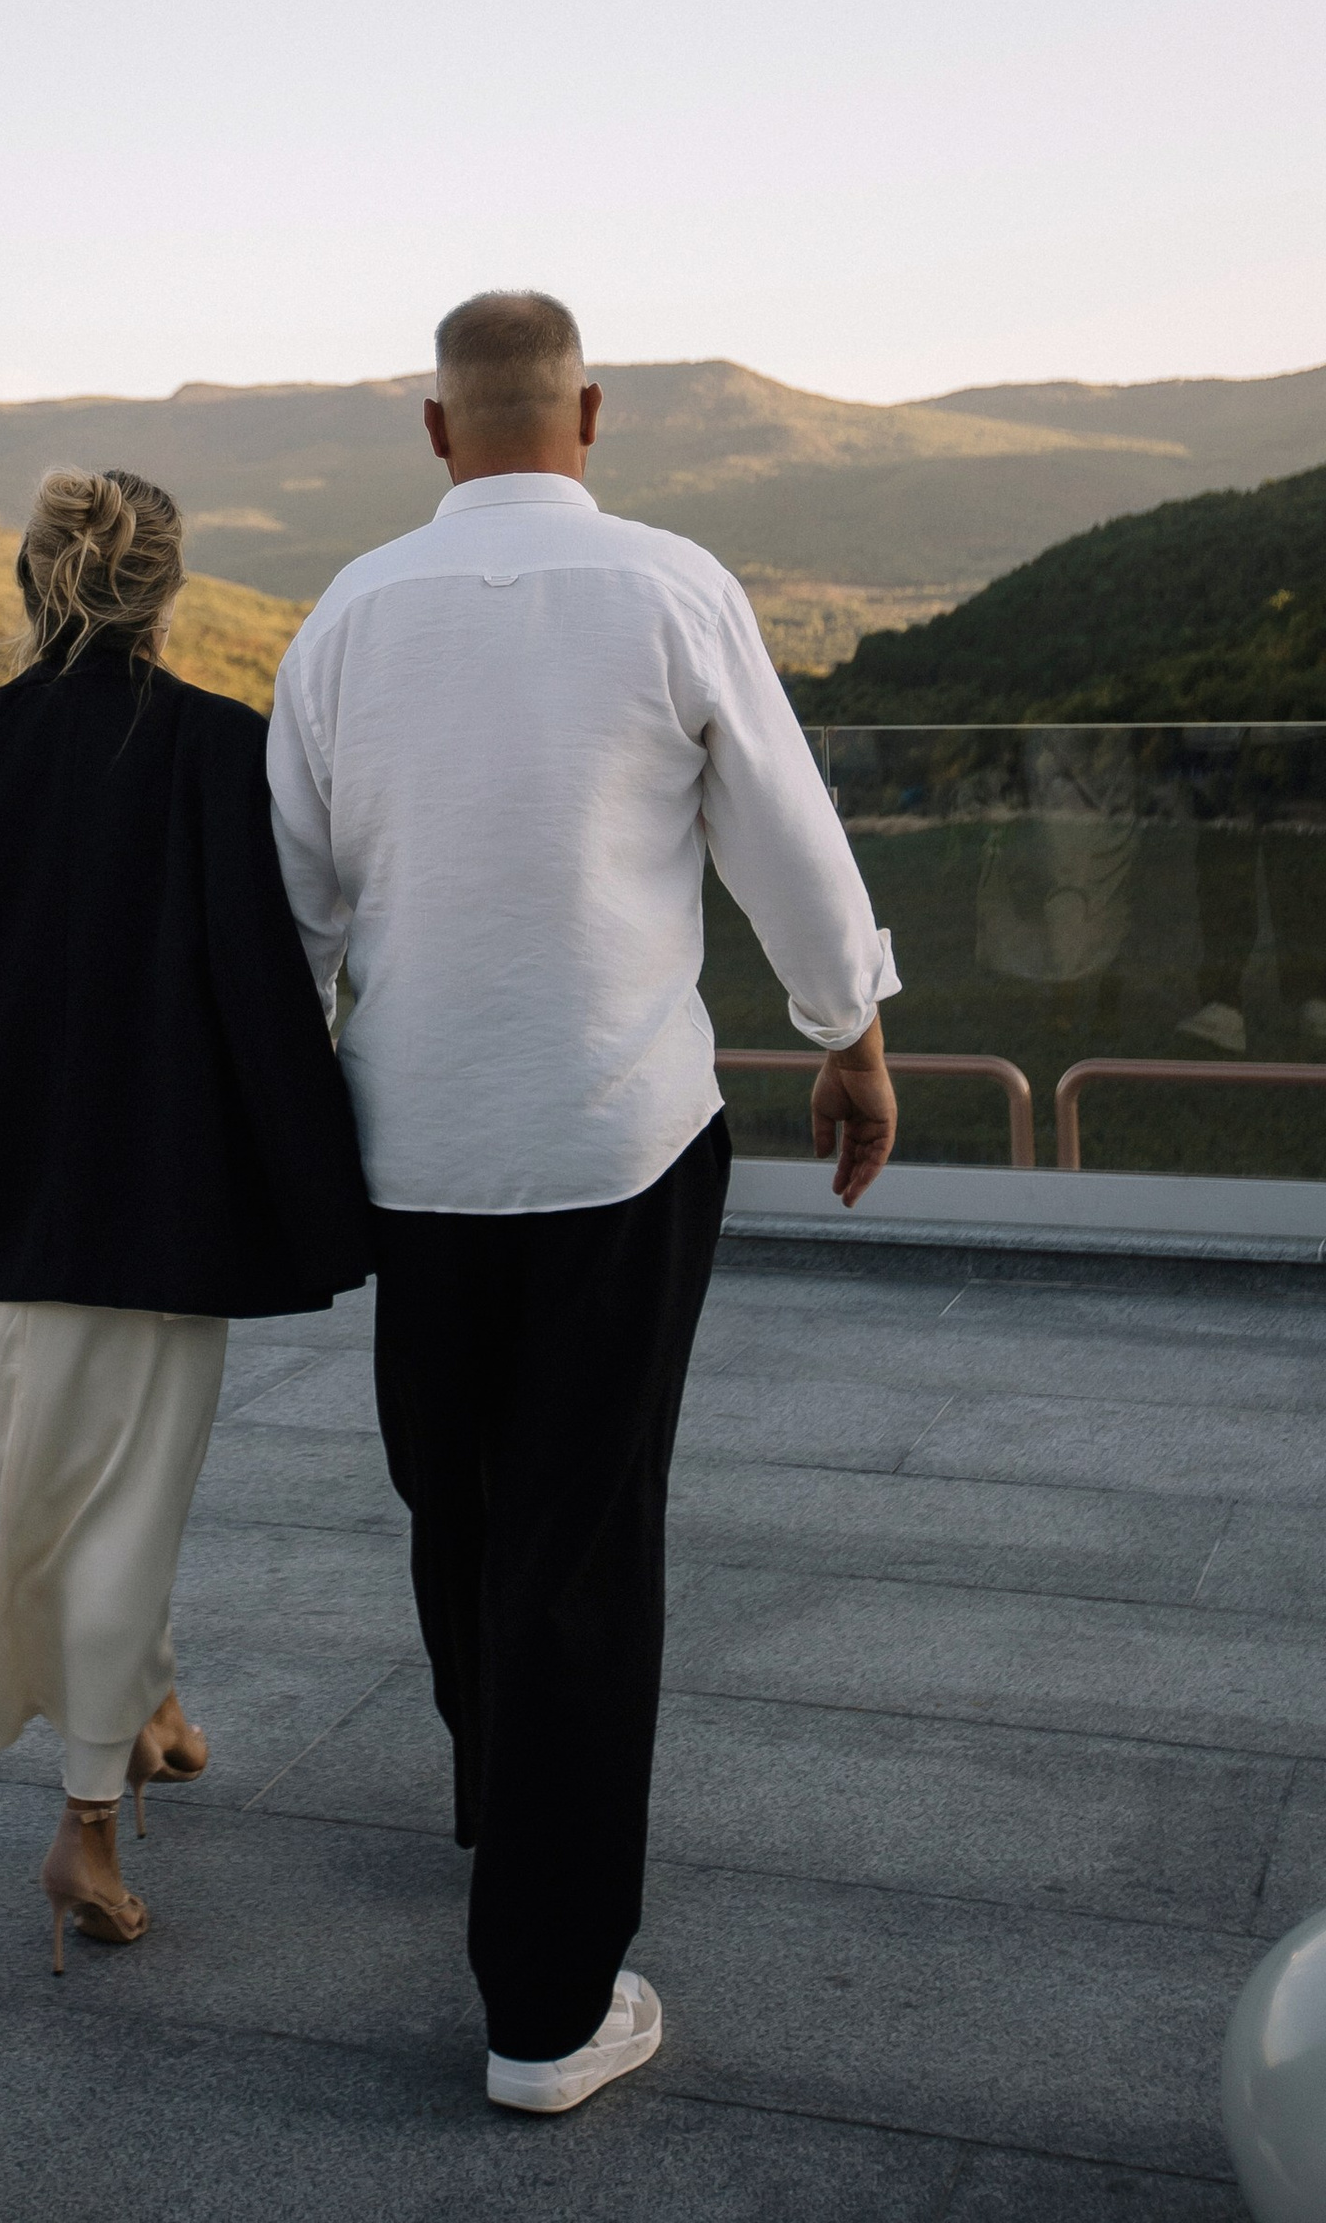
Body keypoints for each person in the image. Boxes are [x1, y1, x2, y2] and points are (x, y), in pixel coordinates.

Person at [268, 291, 901, 2116]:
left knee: (455, 1497)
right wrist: (845, 1038)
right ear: (592, 415)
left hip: (416, 1150)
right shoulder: (673, 587)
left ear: (436, 429)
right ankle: (548, 2009)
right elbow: (786, 833)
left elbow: (292, 912)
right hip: (622, 1134)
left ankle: (501, 1798)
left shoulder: (348, 616)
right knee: (583, 1539)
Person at [0, 465, 372, 1970]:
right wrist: (319, 1183)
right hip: (152, 1210)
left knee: (65, 1485)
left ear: (27, 583)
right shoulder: (218, 753)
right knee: (121, 1498)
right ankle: (85, 1829)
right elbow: (268, 995)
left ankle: (152, 1706)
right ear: (169, 592)